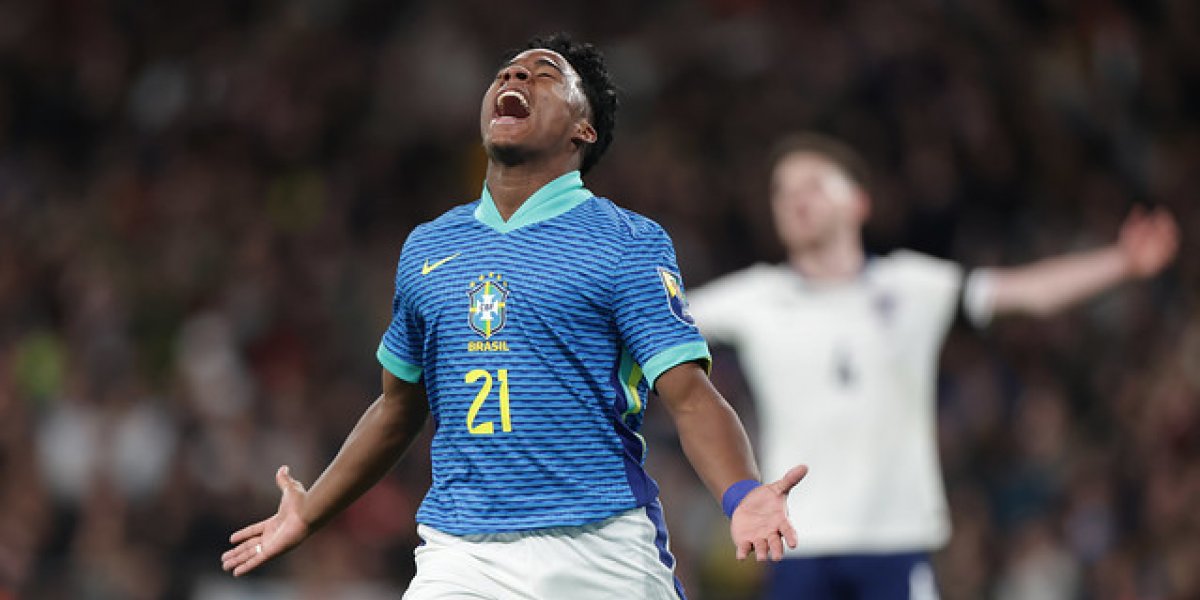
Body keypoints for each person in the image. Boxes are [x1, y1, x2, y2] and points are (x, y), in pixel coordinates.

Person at [220, 33, 807, 599]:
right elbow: (397, 408)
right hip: (460, 553)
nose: (515, 75)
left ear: (585, 128)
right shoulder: (428, 247)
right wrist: (311, 512)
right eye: (507, 70)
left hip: (598, 549)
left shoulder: (626, 241)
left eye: (545, 74)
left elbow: (690, 395)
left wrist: (741, 494)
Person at [685, 133, 1179, 600]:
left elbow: (1028, 294)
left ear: (859, 202)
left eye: (813, 184)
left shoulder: (914, 286)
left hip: (895, 540)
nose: (795, 199)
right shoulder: (753, 298)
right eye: (781, 191)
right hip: (797, 543)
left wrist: (1122, 263)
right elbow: (652, 319)